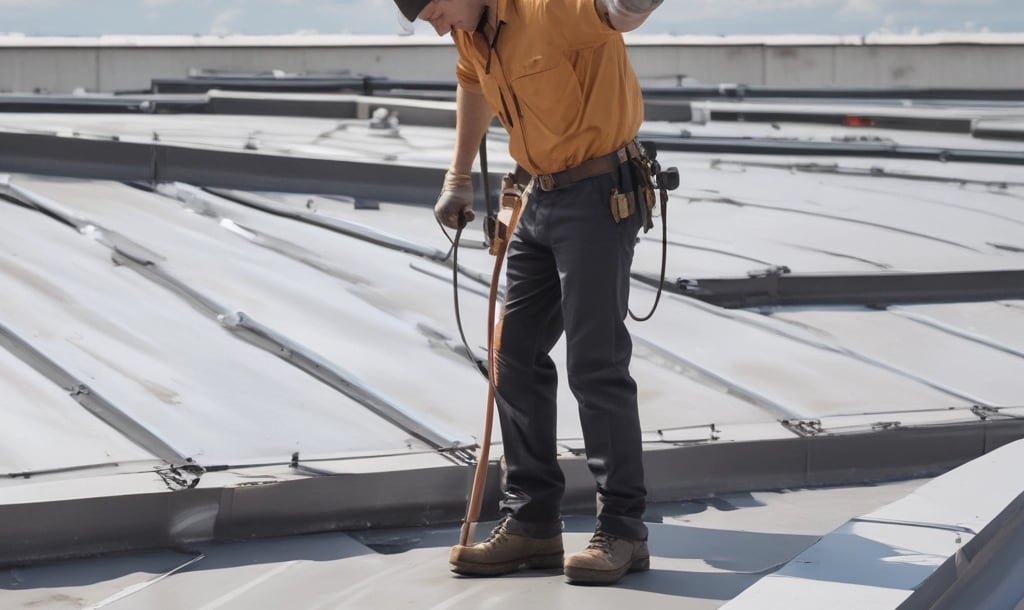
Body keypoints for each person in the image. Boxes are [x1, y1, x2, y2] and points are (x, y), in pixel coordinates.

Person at [393, 0, 663, 586]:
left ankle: (623, 530)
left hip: (597, 195)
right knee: (512, 355)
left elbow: (619, 11)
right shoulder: (472, 34)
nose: (437, 26)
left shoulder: (548, 7)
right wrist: (458, 176)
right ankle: (533, 525)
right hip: (536, 197)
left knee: (595, 365)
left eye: (436, 10)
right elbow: (474, 84)